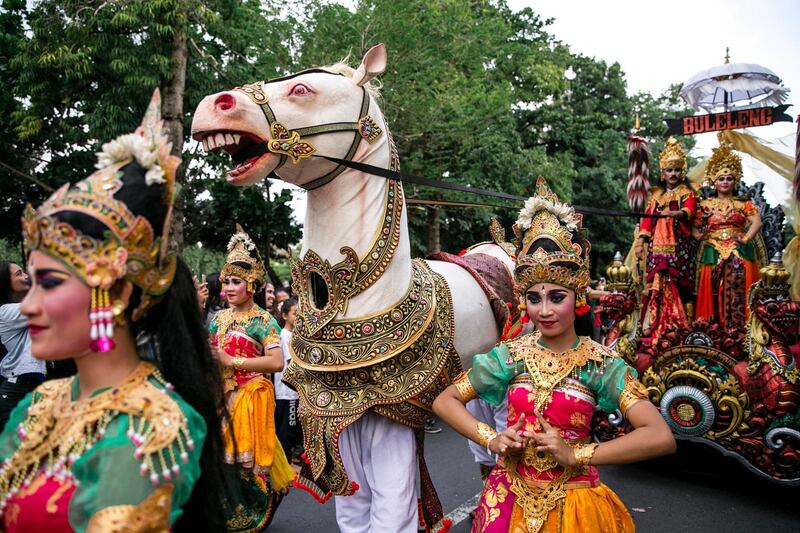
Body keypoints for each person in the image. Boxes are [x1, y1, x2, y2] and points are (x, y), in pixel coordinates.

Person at [0, 91, 228, 531]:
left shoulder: (151, 427)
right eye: (30, 281)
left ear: (119, 290)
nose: (27, 304)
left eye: (49, 283)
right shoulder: (37, 406)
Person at [433, 177, 676, 532]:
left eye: (556, 297)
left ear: (577, 297)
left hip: (575, 506)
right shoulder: (510, 357)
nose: (544, 310)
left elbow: (659, 436)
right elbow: (446, 400)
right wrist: (491, 438)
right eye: (534, 298)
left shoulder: (600, 364)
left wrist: (576, 453)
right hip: (507, 501)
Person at [209, 225, 295, 530]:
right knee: (221, 462)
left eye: (237, 281)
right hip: (221, 396)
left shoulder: (263, 320)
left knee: (247, 464)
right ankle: (230, 514)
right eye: (227, 281)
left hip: (250, 398)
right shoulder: (218, 319)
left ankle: (255, 514)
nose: (230, 288)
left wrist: (231, 359)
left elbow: (275, 361)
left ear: (252, 283)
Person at [694, 137, 763, 328]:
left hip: (738, 249)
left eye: (729, 178)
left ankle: (739, 328)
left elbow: (757, 221)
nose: (725, 182)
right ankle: (714, 328)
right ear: (714, 182)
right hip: (712, 250)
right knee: (715, 289)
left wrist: (746, 238)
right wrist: (699, 235)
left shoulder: (743, 203)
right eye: (721, 178)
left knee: (737, 286)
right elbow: (694, 226)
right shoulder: (705, 205)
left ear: (735, 181)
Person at [633, 137, 698, 339]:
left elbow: (690, 211)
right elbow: (646, 222)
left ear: (682, 172)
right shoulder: (656, 196)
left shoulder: (688, 192)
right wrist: (641, 241)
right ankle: (654, 323)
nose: (673, 174)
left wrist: (674, 214)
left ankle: (678, 325)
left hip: (680, 246)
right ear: (663, 173)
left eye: (677, 170)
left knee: (675, 282)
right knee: (657, 283)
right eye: (669, 170)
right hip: (657, 246)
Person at [0, 261, 47, 431]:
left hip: (29, 382)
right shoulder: (6, 312)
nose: (25, 276)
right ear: (5, 282)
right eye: (19, 273)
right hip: (17, 385)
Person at [273, 298, 303, 463]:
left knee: (292, 426)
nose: (298, 317)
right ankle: (286, 462)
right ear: (285, 316)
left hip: (292, 391)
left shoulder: (292, 335)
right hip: (287, 391)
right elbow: (292, 363)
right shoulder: (285, 336)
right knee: (287, 428)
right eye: (294, 314)